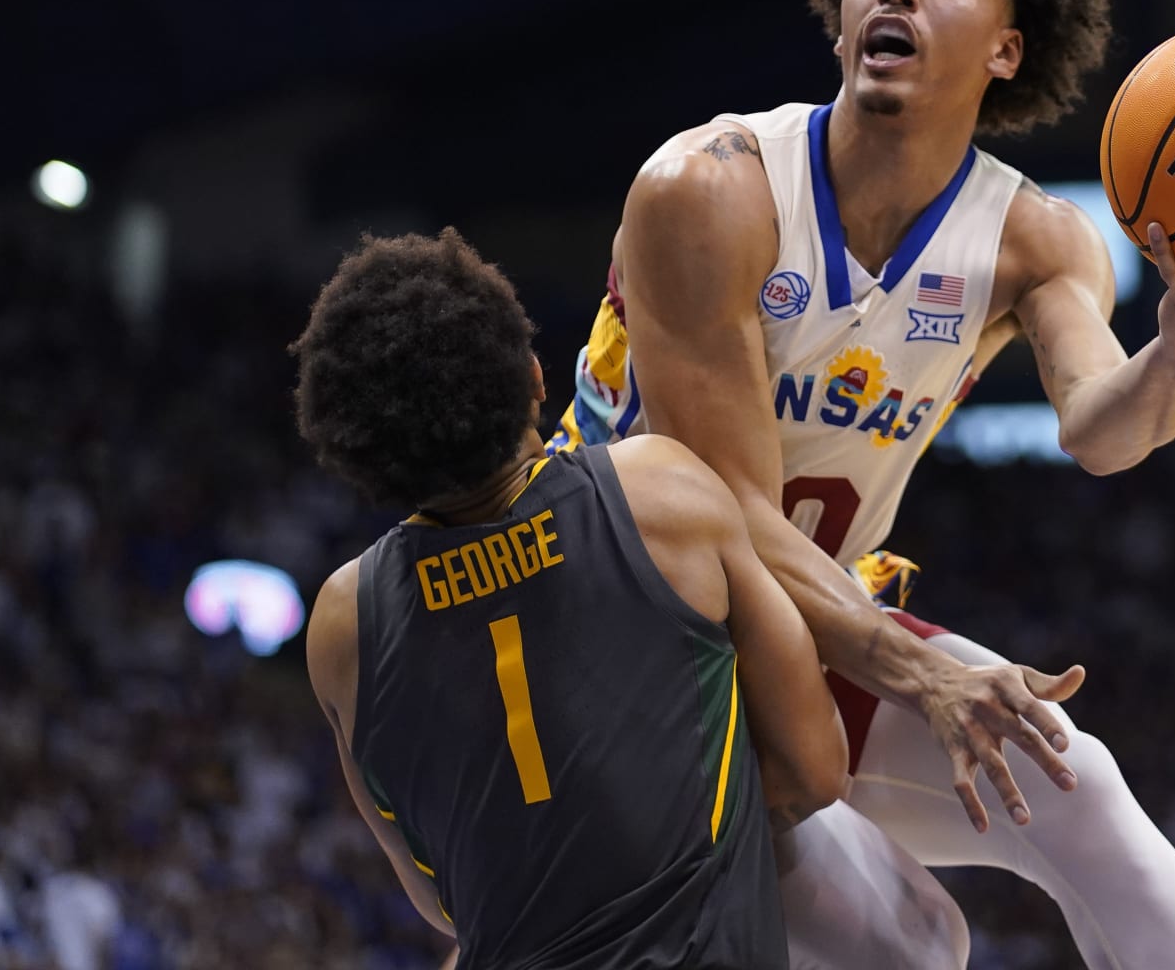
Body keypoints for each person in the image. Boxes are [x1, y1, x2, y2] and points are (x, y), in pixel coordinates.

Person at [546, 0, 1175, 970]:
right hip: (612, 630)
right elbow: (723, 506)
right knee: (909, 938)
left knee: (1057, 792)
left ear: (1006, 49)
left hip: (797, 630)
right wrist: (920, 667)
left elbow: (1103, 432)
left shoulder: (1034, 239)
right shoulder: (709, 190)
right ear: (840, 10)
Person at [294, 229, 847, 970]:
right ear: (533, 377)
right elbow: (816, 768)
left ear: (359, 452)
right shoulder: (658, 491)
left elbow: (440, 903)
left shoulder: (341, 624)